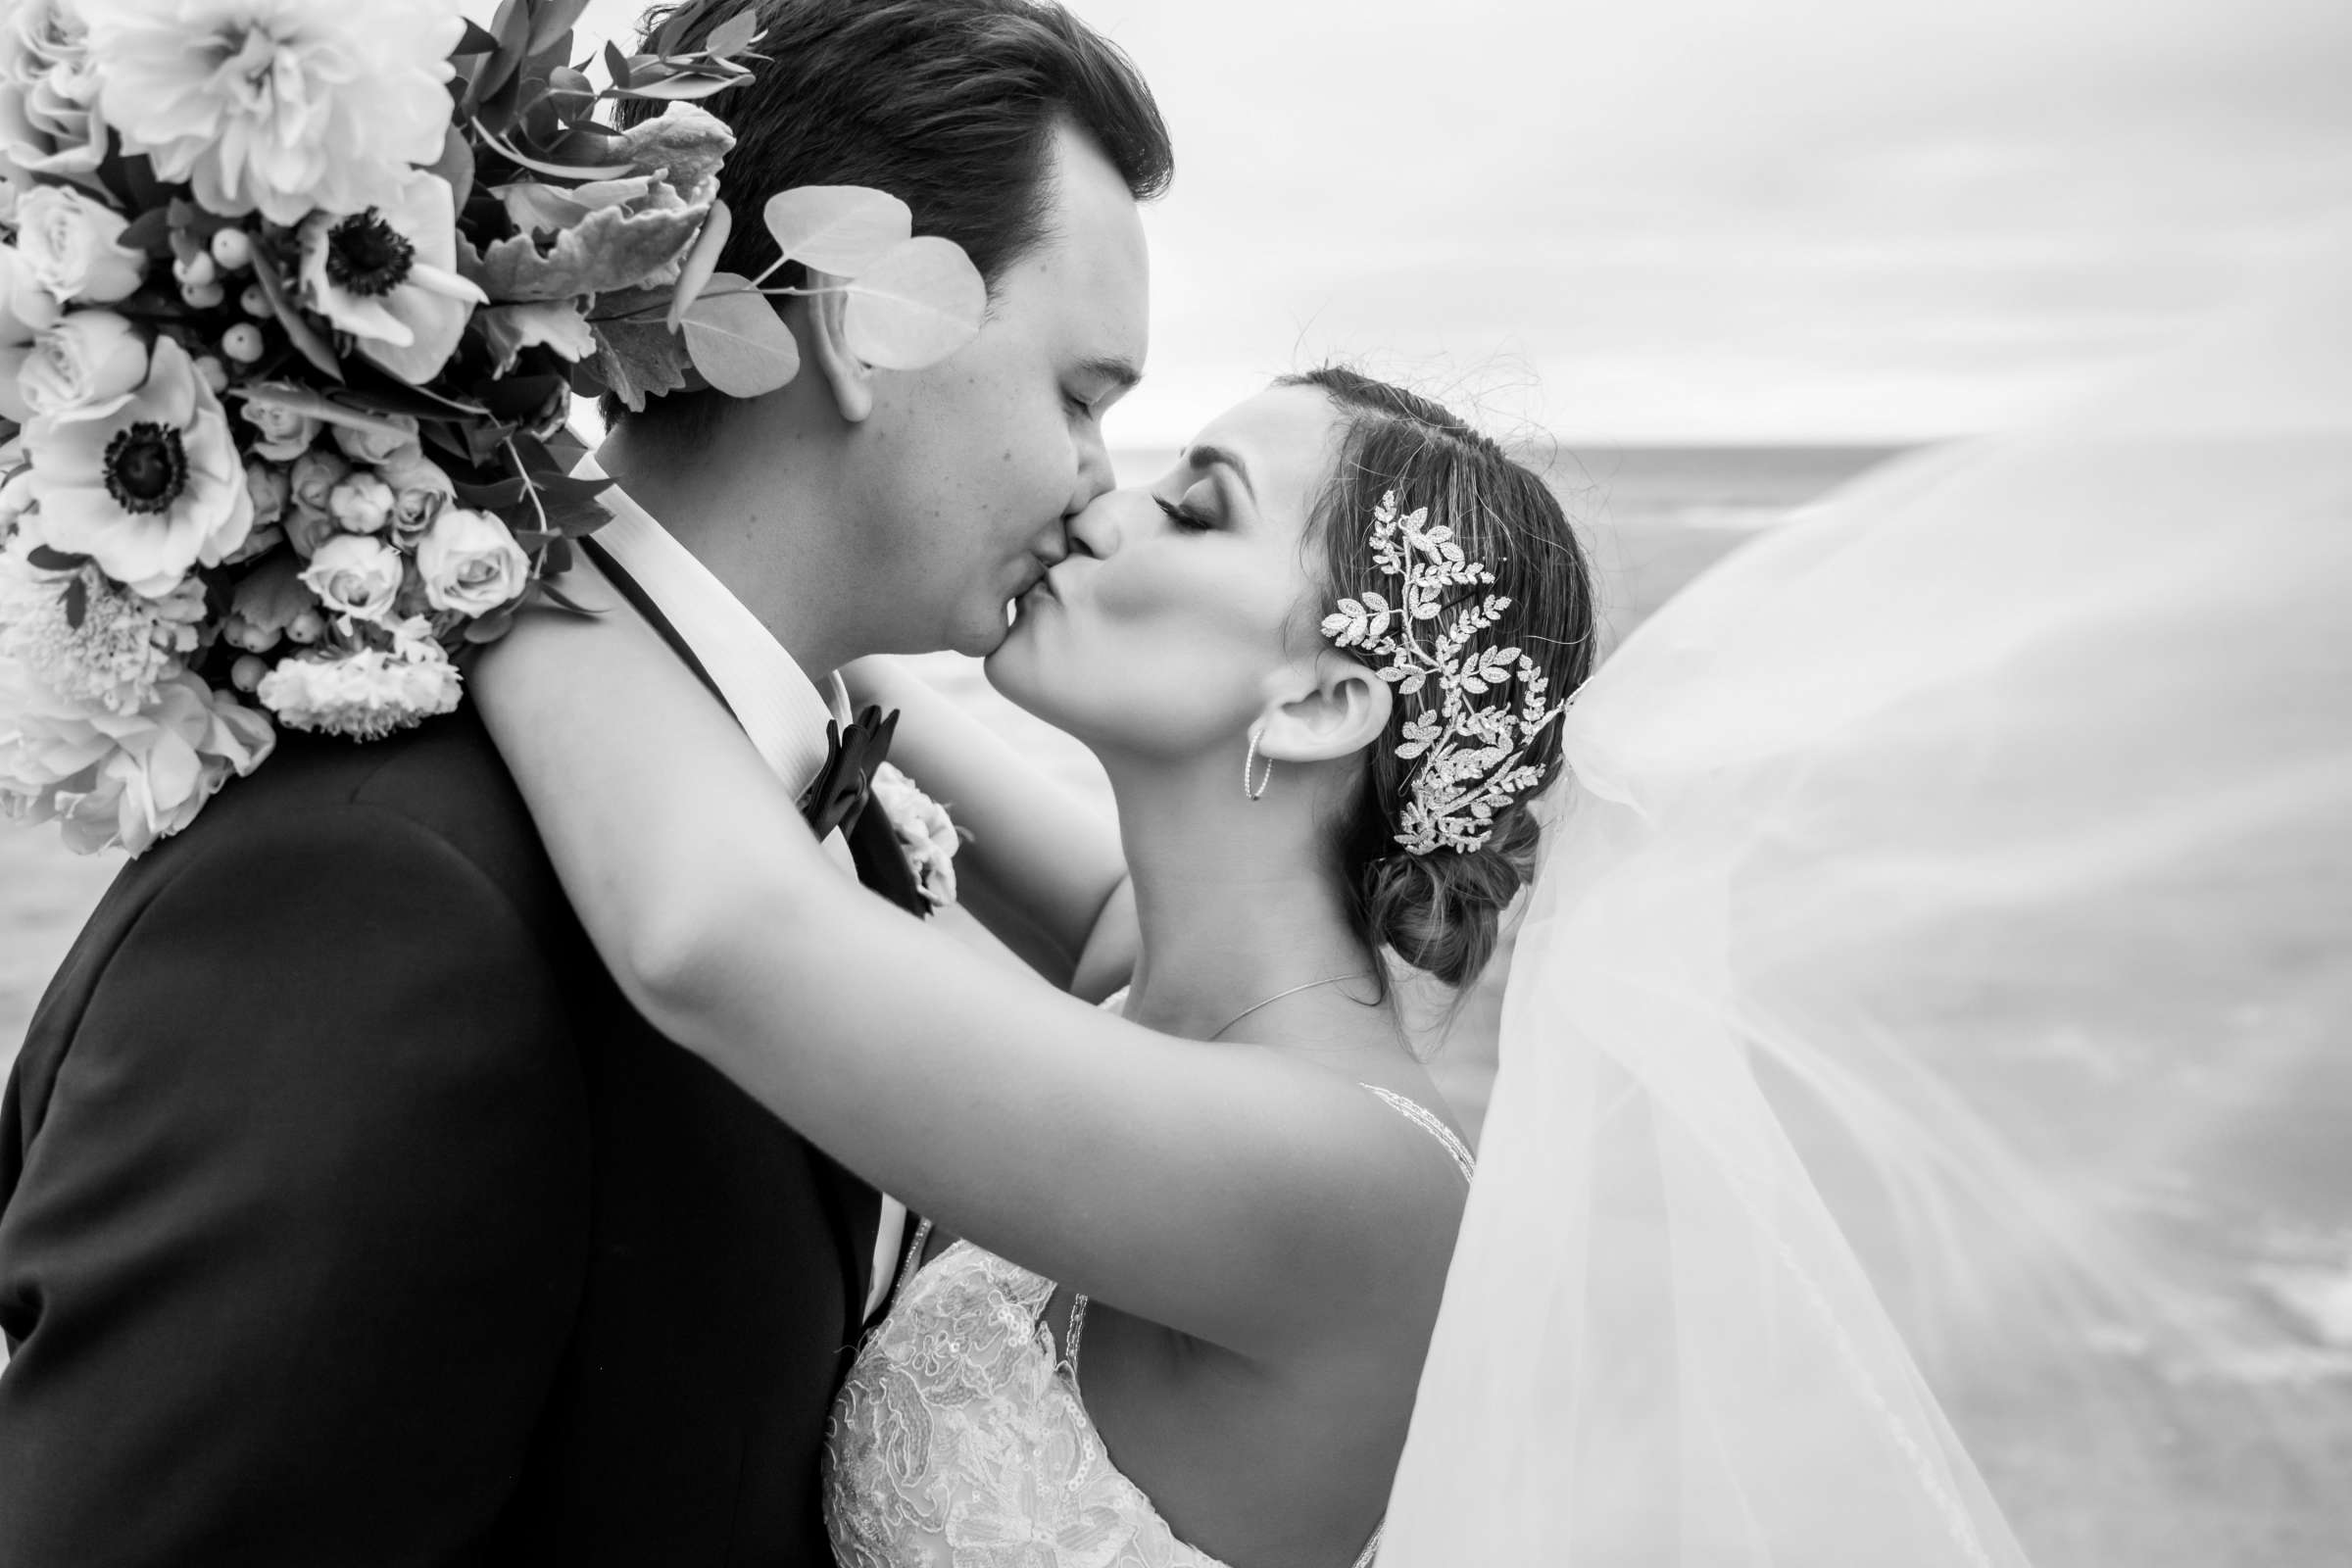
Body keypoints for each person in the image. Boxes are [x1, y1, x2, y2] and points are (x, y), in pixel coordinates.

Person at [0, 2, 1169, 1561]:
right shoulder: (386, 893)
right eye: (1084, 400)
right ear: (861, 315)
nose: (1103, 494)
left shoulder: (849, 821)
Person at [471, 368, 1600, 1565]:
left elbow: (712, 932)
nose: (1103, 505)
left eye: (1195, 509)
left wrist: (449, 504)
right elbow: (805, 636)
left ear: (1321, 703)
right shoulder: (1147, 964)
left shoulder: (1364, 1185)